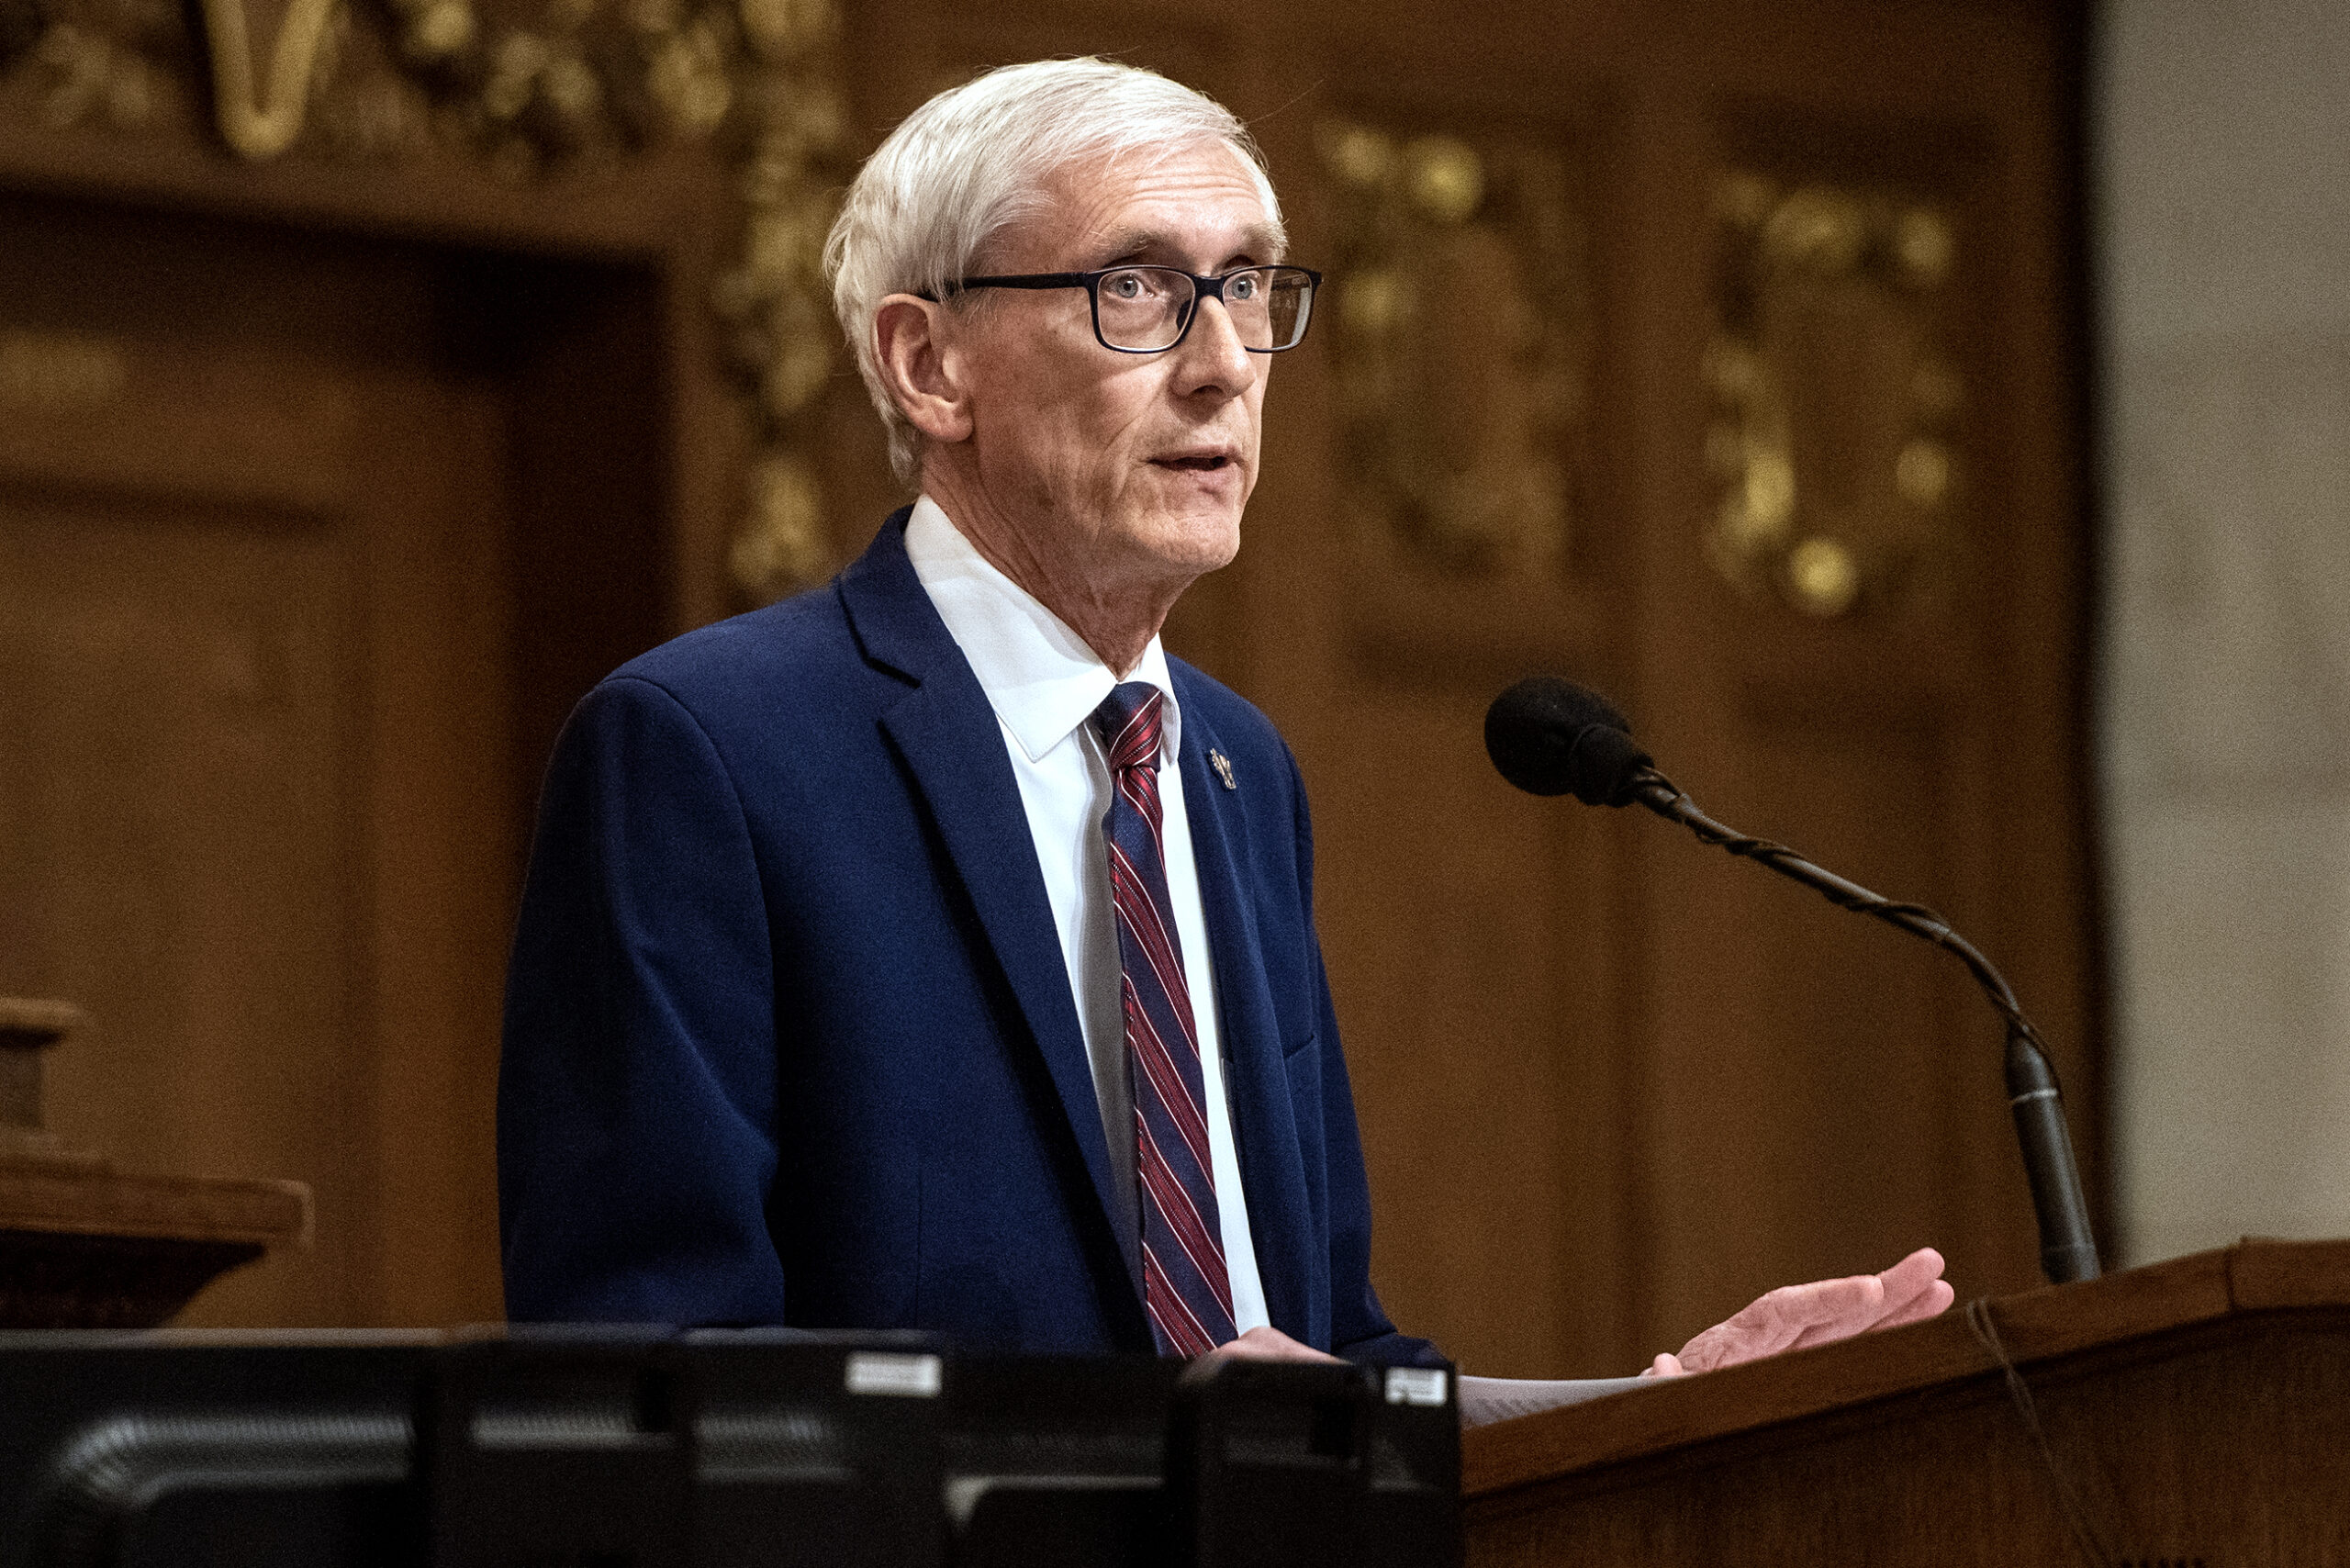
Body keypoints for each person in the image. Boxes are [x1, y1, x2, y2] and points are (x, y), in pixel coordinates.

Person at [497, 58, 1953, 1371]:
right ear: (927, 364)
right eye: (1135, 288)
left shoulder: (1236, 768)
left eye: (1249, 287)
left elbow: (1319, 1357)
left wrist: (1649, 1411)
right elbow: (660, 1377)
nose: (1220, 365)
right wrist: (1159, 1456)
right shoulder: (710, 751)